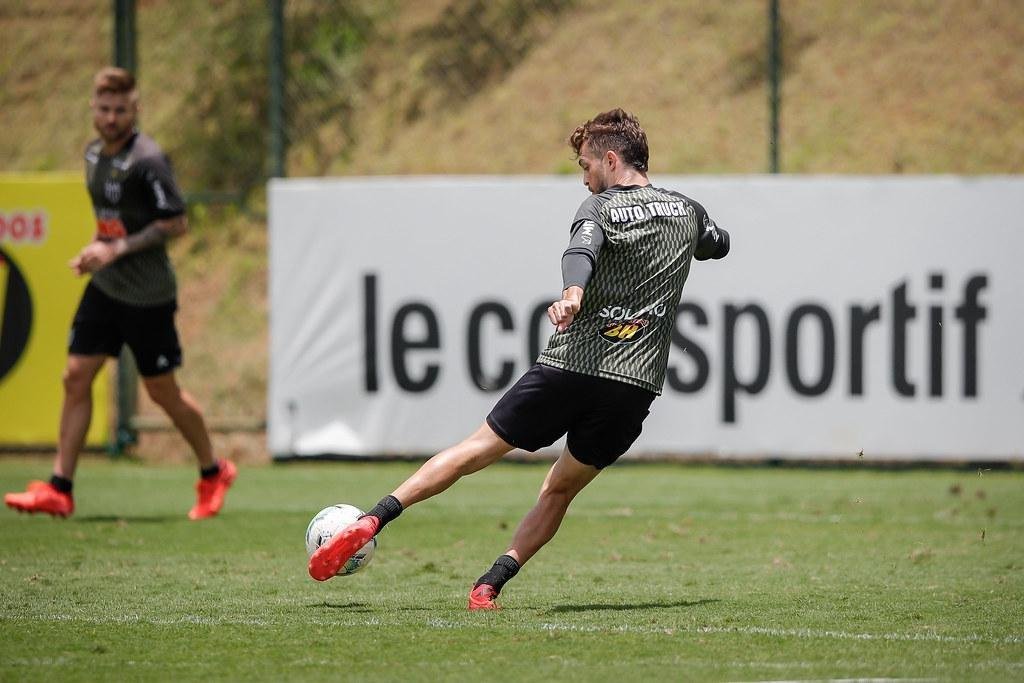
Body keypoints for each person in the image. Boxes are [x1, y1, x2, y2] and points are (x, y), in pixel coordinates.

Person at [308, 108, 730, 608]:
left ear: (611, 160)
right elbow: (718, 245)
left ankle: (374, 518)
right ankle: (489, 584)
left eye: (586, 166)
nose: (585, 179)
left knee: (474, 451)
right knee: (558, 491)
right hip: (632, 386)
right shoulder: (687, 209)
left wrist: (573, 294)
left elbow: (582, 251)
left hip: (572, 366)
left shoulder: (600, 210)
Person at [4, 67, 236, 520]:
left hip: (148, 295)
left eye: (120, 110)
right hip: (106, 288)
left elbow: (176, 221)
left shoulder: (148, 159)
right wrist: (97, 253)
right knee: (75, 376)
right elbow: (116, 222)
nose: (111, 118)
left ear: (136, 109)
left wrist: (116, 249)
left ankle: (213, 471)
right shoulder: (93, 156)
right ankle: (60, 487)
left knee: (163, 393)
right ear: (93, 108)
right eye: (104, 109)